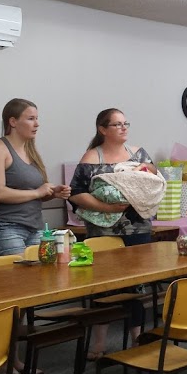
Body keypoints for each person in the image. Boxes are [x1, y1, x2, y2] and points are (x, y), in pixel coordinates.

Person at [68, 108, 158, 359]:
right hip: (103, 230)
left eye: (125, 123)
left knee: (136, 284)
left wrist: (145, 175)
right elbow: (75, 193)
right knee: (103, 285)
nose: (123, 128)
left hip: (137, 227)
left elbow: (153, 182)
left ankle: (137, 338)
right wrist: (107, 207)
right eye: (117, 124)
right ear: (102, 129)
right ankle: (99, 343)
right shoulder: (91, 157)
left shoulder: (139, 154)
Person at [0, 98, 71, 257]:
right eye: (31, 119)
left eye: (37, 118)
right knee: (18, 272)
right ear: (13, 122)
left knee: (43, 271)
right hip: (6, 227)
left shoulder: (31, 150)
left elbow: (33, 193)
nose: (37, 124)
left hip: (35, 227)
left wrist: (52, 193)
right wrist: (38, 192)